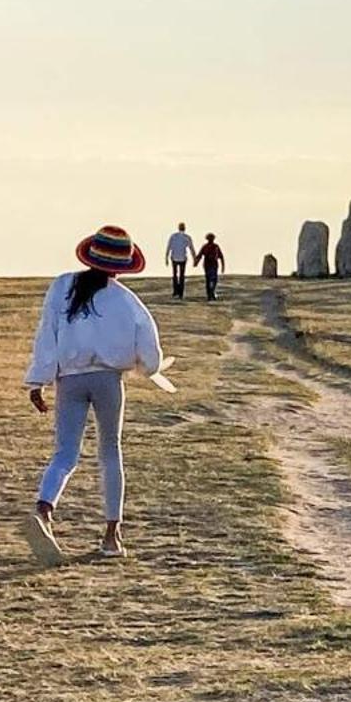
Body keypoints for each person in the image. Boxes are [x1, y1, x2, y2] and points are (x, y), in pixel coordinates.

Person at [24, 225, 163, 562]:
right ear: (122, 266)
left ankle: (43, 510)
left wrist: (38, 380)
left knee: (65, 453)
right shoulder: (128, 301)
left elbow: (47, 335)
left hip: (69, 380)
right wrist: (146, 370)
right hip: (108, 381)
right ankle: (112, 536)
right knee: (109, 453)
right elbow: (151, 355)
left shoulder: (61, 287)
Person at [165, 222, 193, 299]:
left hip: (174, 257)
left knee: (175, 275)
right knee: (181, 275)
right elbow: (191, 249)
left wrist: (166, 257)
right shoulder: (187, 237)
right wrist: (195, 259)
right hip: (182, 258)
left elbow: (168, 247)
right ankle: (180, 293)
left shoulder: (173, 236)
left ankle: (176, 291)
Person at [194, 232, 225, 300]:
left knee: (209, 279)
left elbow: (199, 255)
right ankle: (211, 293)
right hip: (211, 265)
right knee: (213, 279)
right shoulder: (214, 246)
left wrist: (196, 262)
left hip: (209, 265)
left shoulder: (208, 246)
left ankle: (210, 293)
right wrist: (223, 266)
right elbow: (221, 257)